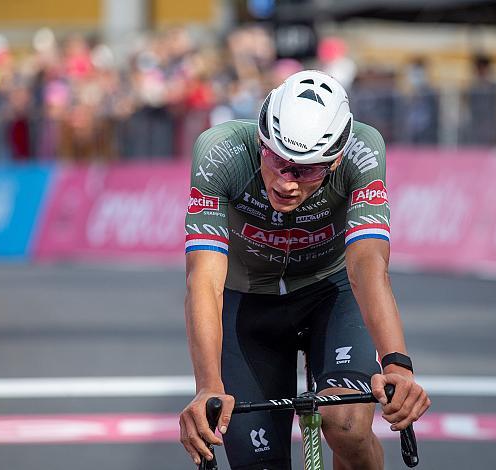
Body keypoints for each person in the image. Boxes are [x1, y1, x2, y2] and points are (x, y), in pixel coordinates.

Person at [179, 70, 430, 470]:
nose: (288, 182)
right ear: (261, 141)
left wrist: (396, 362)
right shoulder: (219, 151)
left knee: (346, 425)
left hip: (328, 295)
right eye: (278, 159)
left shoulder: (363, 150)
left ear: (335, 162)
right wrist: (208, 386)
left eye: (308, 169)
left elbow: (367, 266)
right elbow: (205, 279)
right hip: (248, 303)